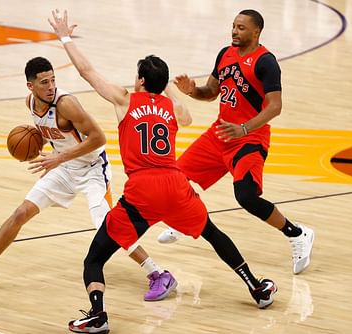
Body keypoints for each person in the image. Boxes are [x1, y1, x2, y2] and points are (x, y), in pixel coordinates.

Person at [48, 9, 277, 334]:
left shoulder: (125, 100)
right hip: (175, 185)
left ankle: (98, 316)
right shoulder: (173, 108)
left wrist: (64, 37)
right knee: (213, 234)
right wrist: (167, 84)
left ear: (140, 80)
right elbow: (187, 117)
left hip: (142, 192)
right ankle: (256, 286)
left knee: (94, 260)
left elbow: (87, 71)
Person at [0, 56, 176, 302]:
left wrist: (58, 158)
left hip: (93, 169)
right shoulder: (30, 103)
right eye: (44, 82)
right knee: (21, 213)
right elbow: (51, 135)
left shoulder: (67, 104)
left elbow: (98, 138)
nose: (50, 86)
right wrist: (32, 149)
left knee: (109, 227)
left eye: (52, 80)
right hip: (64, 167)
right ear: (31, 86)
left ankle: (158, 273)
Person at [158, 9, 315, 275]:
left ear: (256, 32)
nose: (234, 31)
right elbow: (210, 93)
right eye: (233, 26)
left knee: (247, 197)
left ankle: (298, 233)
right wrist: (192, 91)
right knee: (176, 178)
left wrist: (244, 128)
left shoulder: (266, 62)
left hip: (249, 137)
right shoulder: (225, 54)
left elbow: (275, 107)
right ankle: (186, 219)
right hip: (221, 133)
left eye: (241, 28)